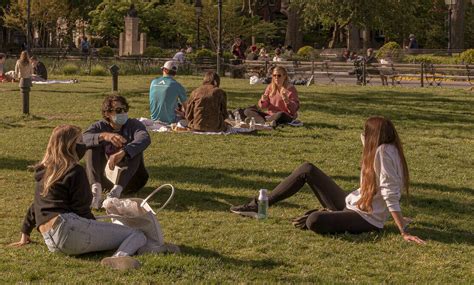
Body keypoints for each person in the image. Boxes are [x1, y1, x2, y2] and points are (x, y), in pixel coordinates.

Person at [231, 116, 426, 244]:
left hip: (367, 219)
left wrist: (403, 230)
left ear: (373, 136)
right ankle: (259, 205)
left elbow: (389, 191)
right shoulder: (386, 148)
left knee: (314, 221)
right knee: (307, 169)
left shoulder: (383, 153)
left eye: (366, 133)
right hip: (353, 203)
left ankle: (324, 214)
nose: (363, 136)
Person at [9, 125, 147, 270]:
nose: (83, 145)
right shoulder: (75, 171)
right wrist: (98, 228)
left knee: (115, 232)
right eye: (80, 141)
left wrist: (25, 233)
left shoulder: (44, 172)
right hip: (69, 228)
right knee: (137, 234)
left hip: (52, 242)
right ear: (71, 146)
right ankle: (118, 258)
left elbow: (35, 206)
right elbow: (82, 210)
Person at [84, 95, 151, 209]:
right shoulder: (99, 126)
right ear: (107, 114)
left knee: (134, 150)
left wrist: (124, 152)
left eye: (125, 109)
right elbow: (83, 139)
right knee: (91, 146)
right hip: (106, 178)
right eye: (119, 110)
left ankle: (116, 192)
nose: (123, 113)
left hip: (131, 180)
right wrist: (104, 136)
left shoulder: (133, 124)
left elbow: (144, 138)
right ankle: (96, 192)